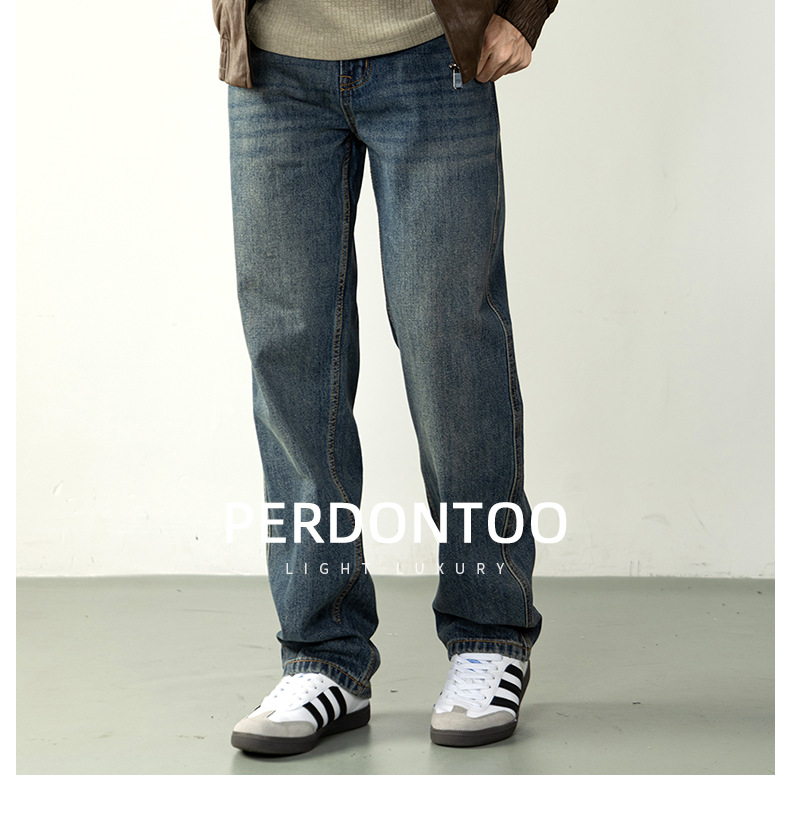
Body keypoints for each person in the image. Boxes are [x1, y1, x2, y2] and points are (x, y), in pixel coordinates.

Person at [211, 0, 558, 755]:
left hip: (433, 51)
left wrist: (525, 9)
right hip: (273, 64)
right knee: (290, 360)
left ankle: (489, 634)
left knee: (450, 347)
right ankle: (321, 655)